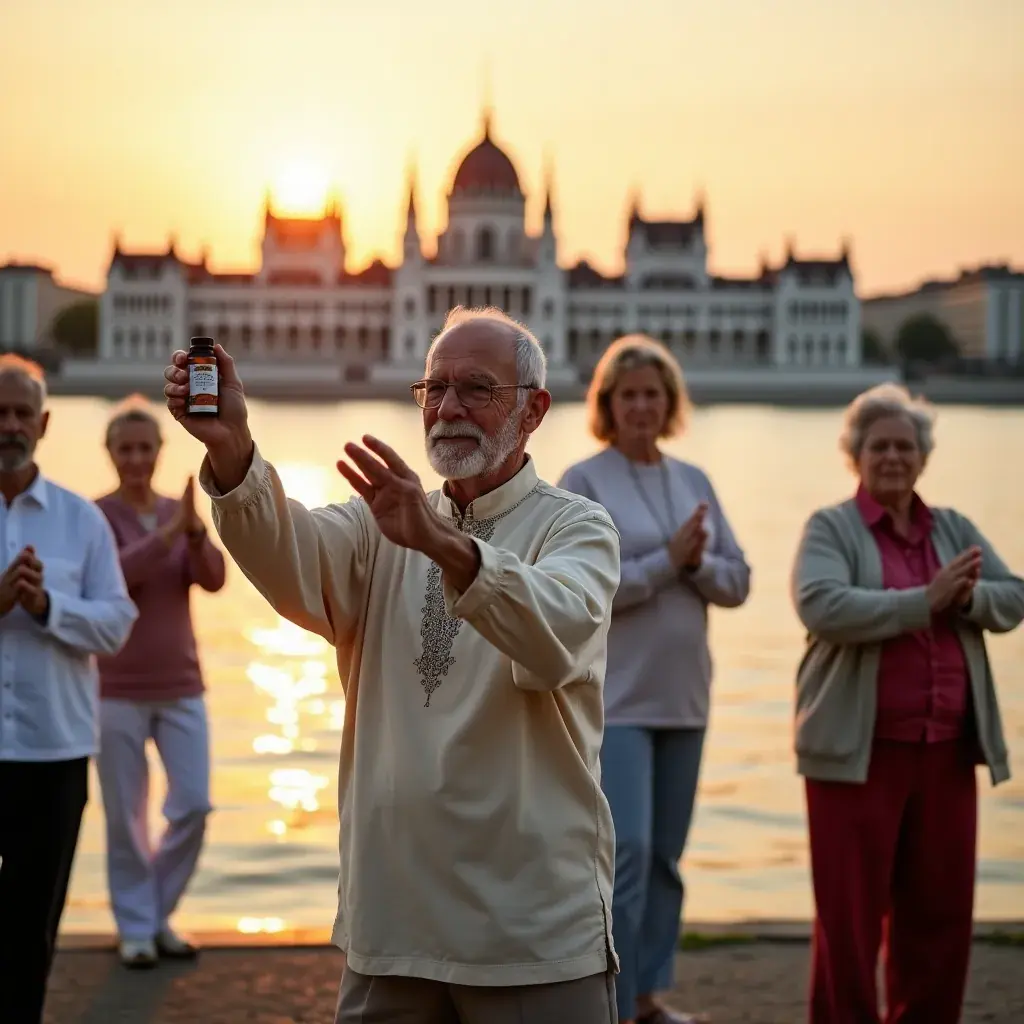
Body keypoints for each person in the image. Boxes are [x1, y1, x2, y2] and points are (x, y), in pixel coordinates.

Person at [163, 307, 622, 1024]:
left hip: (528, 931)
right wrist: (233, 447)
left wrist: (443, 545)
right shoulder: (383, 522)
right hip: (392, 922)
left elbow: (555, 632)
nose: (448, 409)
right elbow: (292, 560)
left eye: (476, 388)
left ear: (534, 411)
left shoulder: (574, 527)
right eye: (434, 388)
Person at [790, 382, 1024, 1024]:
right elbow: (822, 605)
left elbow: (1012, 596)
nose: (893, 456)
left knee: (941, 915)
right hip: (854, 756)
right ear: (856, 456)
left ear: (923, 457)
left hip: (947, 753)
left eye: (905, 446)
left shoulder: (952, 527)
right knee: (851, 920)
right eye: (879, 446)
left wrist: (965, 598)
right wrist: (927, 600)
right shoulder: (830, 527)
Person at [558, 335, 750, 1024]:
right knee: (627, 853)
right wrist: (668, 563)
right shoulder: (583, 482)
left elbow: (738, 581)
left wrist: (694, 566)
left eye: (652, 394)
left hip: (685, 698)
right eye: (628, 394)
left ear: (670, 403)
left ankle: (645, 998)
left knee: (666, 857)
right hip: (617, 701)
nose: (641, 405)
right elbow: (583, 590)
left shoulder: (694, 481)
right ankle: (605, 997)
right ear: (607, 403)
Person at [0, 355, 138, 1023]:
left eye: (22, 412)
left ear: (45, 422)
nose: (10, 425)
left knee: (30, 930)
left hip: (51, 755)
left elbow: (115, 625)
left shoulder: (82, 521)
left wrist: (48, 605)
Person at [94, 397, 226, 969]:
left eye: (145, 448)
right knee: (125, 817)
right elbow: (114, 577)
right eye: (126, 448)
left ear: (158, 451)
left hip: (181, 686)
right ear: (110, 453)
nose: (136, 458)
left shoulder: (181, 511)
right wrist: (169, 532)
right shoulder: (94, 517)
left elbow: (215, 580)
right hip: (115, 688)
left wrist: (193, 535)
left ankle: (154, 913)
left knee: (193, 804)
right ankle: (139, 931)